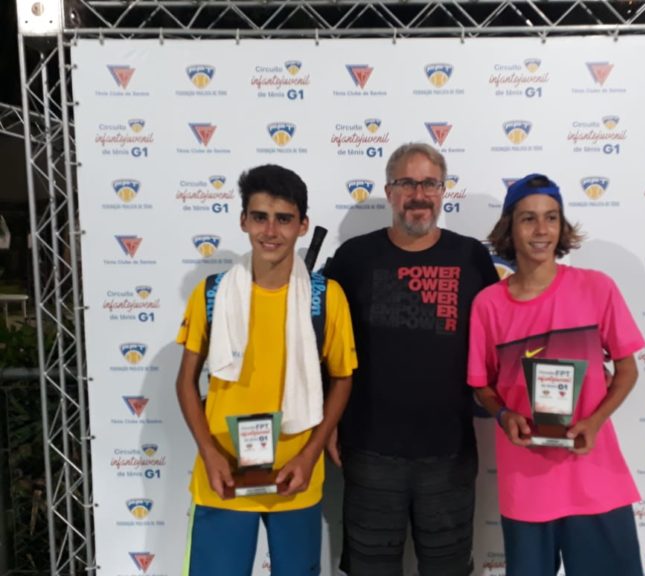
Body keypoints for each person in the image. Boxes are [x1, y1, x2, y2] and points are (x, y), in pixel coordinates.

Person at [324, 143, 499, 576]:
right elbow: (325, 345)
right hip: (369, 450)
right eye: (406, 183)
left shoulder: (472, 257)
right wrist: (327, 422)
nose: (418, 195)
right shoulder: (353, 258)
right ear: (389, 191)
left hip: (449, 453)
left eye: (429, 184)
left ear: (443, 191)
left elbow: (502, 336)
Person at [175, 164, 357, 576]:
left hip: (295, 478)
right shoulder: (212, 294)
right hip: (223, 476)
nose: (271, 231)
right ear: (243, 220)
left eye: (284, 219)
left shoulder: (325, 298)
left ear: (303, 225)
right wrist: (209, 453)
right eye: (260, 217)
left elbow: (343, 379)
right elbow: (185, 382)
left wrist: (310, 455)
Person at [468, 173, 645, 576]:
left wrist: (594, 421)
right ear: (509, 228)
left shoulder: (596, 288)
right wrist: (503, 415)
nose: (541, 230)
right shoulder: (488, 305)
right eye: (528, 219)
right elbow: (482, 385)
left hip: (596, 480)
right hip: (527, 487)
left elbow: (627, 369)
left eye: (551, 217)